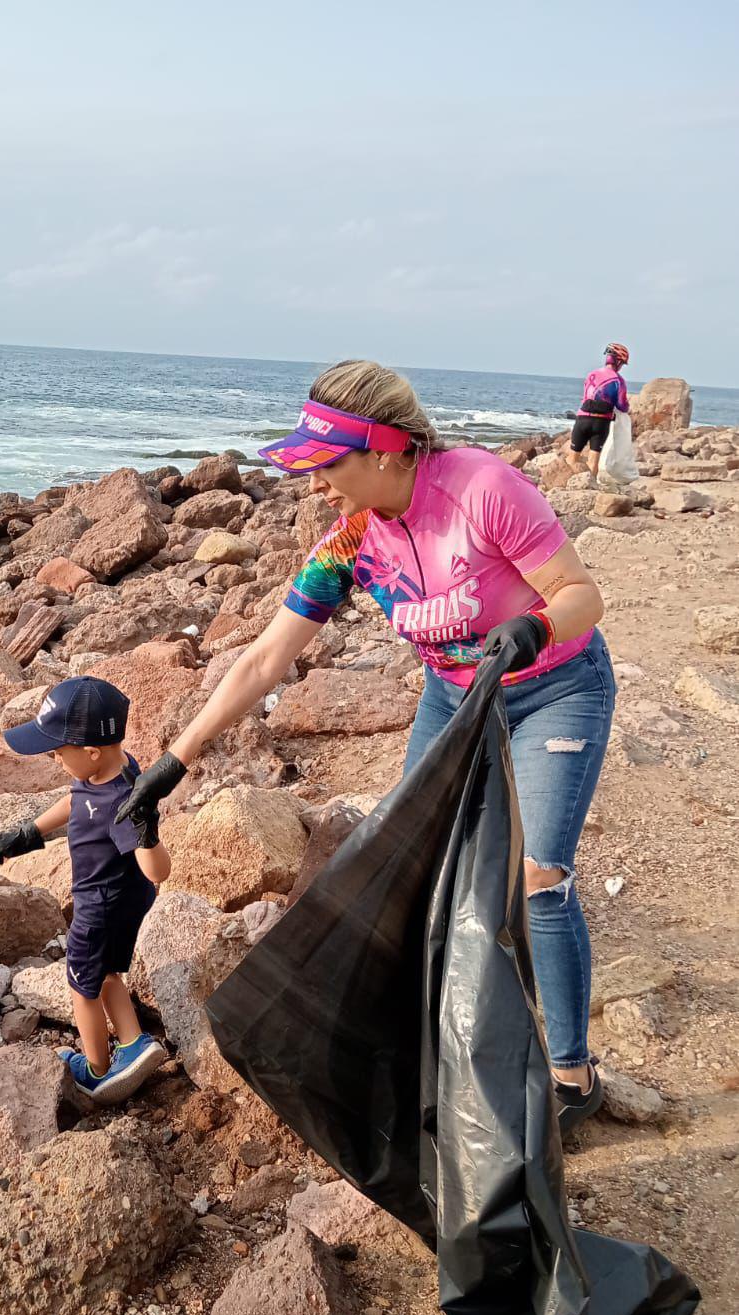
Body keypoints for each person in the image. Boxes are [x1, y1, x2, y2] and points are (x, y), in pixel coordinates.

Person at [118, 359, 616, 1133]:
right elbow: (263, 660)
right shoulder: (352, 540)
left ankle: (572, 1076)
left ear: (384, 450)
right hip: (455, 698)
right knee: (413, 867)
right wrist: (173, 762)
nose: (314, 483)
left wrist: (535, 624)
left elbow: (583, 596)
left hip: (555, 687)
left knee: (539, 875)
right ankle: (436, 1044)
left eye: (326, 464)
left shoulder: (482, 490)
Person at [0, 676, 171, 1105]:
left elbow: (158, 870)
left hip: (99, 908)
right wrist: (25, 834)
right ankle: (134, 1043)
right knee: (108, 972)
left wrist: (148, 833)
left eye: (59, 751)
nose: (55, 758)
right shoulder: (114, 768)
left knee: (82, 986)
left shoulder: (122, 802)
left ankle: (96, 1071)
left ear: (92, 751)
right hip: (123, 902)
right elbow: (77, 800)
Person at [566, 342, 630, 482]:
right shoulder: (619, 381)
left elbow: (586, 396)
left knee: (572, 457)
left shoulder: (592, 374)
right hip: (601, 423)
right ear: (619, 362)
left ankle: (567, 484)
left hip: (583, 419)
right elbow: (622, 406)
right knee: (593, 460)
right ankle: (591, 485)